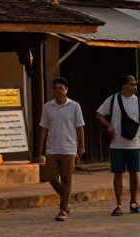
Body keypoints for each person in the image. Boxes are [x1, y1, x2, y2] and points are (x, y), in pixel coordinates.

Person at [38, 78, 85, 221]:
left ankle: (63, 209)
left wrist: (81, 147)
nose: (58, 90)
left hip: (69, 148)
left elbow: (79, 127)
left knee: (67, 178)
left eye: (61, 88)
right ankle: (66, 199)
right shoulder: (48, 107)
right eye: (55, 88)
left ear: (66, 90)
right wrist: (40, 147)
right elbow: (44, 127)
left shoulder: (74, 106)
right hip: (52, 148)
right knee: (51, 177)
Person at [96, 74, 140, 217]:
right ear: (124, 86)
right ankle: (119, 205)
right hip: (116, 144)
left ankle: (134, 201)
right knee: (118, 174)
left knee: (135, 173)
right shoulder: (113, 99)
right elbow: (99, 114)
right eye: (131, 84)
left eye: (135, 84)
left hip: (134, 144)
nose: (134, 86)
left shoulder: (138, 101)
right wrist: (109, 125)